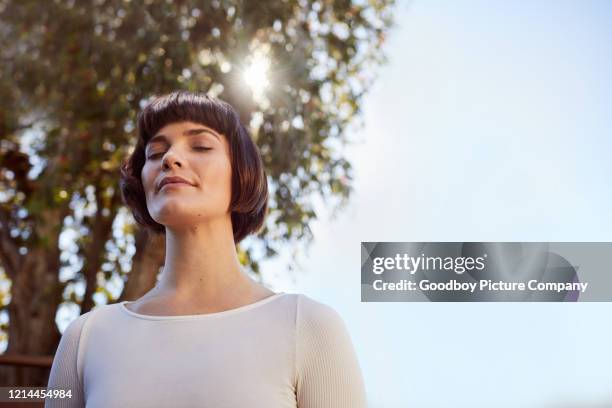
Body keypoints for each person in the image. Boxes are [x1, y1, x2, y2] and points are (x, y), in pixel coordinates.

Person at [45, 90, 368, 407]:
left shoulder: (307, 326)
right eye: (155, 153)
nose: (170, 158)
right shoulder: (85, 339)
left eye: (200, 145)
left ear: (241, 173)